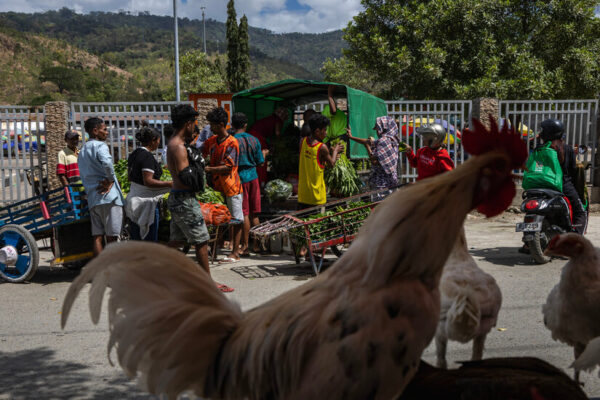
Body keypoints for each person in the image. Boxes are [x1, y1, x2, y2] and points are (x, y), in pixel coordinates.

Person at [166, 104, 234, 292]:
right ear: (188, 123)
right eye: (193, 123)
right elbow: (185, 176)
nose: (194, 127)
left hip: (179, 198)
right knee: (201, 240)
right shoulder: (178, 147)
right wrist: (199, 169)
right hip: (184, 198)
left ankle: (152, 266)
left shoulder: (176, 143)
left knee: (179, 241)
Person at [78, 118, 124, 256]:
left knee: (97, 236)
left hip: (93, 198)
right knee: (112, 237)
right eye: (104, 130)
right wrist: (110, 180)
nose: (107, 133)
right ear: (95, 131)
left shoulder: (83, 150)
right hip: (109, 198)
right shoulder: (100, 146)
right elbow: (107, 163)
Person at [202, 107, 244, 262]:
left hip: (231, 187)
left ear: (221, 124)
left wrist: (208, 169)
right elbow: (200, 151)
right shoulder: (211, 141)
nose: (210, 128)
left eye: (212, 124)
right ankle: (214, 249)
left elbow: (228, 167)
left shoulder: (232, 142)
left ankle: (235, 252)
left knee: (236, 219)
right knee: (216, 218)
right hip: (216, 186)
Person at [125, 124, 172, 241]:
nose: (159, 143)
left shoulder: (134, 154)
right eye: (158, 140)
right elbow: (148, 181)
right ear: (153, 141)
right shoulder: (147, 156)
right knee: (149, 241)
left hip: (133, 202)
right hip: (145, 204)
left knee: (137, 240)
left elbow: (129, 178)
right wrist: (170, 183)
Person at [540, 118, 587, 234]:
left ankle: (527, 244)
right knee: (581, 212)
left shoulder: (538, 149)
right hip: (562, 185)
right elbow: (572, 171)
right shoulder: (567, 149)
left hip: (541, 186)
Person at [232, 112, 264, 255]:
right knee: (255, 213)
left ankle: (245, 246)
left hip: (239, 178)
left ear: (232, 125)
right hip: (253, 177)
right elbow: (260, 161)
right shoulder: (254, 140)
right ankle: (257, 245)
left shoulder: (232, 140)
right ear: (245, 125)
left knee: (244, 213)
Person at [297, 114, 343, 209]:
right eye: (325, 130)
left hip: (303, 195)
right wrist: (335, 151)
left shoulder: (302, 141)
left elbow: (313, 157)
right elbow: (332, 164)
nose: (326, 133)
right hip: (316, 197)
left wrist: (328, 152)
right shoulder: (322, 147)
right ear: (317, 131)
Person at [346, 116, 400, 196]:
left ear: (383, 128)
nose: (377, 132)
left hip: (382, 181)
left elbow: (375, 161)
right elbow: (368, 141)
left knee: (380, 205)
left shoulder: (383, 141)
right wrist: (351, 137)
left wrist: (367, 147)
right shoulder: (393, 139)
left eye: (378, 129)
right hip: (392, 180)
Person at [248, 106, 289, 186]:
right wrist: (280, 142)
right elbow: (277, 133)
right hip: (257, 137)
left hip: (252, 136)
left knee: (254, 160)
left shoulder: (270, 118)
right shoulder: (278, 121)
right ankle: (261, 183)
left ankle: (256, 182)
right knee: (262, 159)